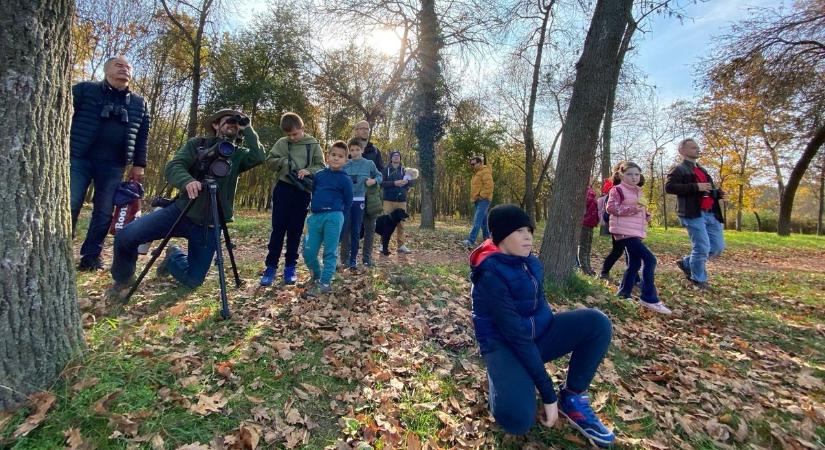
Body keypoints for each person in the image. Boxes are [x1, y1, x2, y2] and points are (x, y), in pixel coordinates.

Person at [469, 204, 615, 446]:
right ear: (502, 237)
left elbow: (536, 310)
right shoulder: (489, 275)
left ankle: (572, 397)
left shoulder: (531, 263)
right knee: (517, 421)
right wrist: (547, 395)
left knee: (596, 322)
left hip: (538, 336)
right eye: (519, 231)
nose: (528, 236)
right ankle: (504, 375)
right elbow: (515, 336)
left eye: (530, 230)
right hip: (505, 345)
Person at [108, 109, 264, 298]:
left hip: (209, 224)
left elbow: (259, 157)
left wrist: (247, 128)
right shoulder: (197, 145)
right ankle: (123, 278)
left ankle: (173, 255)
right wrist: (187, 181)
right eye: (228, 120)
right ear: (215, 125)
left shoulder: (238, 154)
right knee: (125, 236)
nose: (233, 124)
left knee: (193, 280)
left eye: (236, 123)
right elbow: (174, 166)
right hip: (181, 211)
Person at [71, 56, 151, 271]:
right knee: (71, 203)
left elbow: (143, 135)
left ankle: (91, 257)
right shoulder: (84, 90)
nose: (125, 69)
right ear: (107, 70)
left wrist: (138, 164)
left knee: (105, 211)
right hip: (79, 157)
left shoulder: (138, 103)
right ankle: (58, 251)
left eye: (128, 67)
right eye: (119, 65)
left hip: (114, 164)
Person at [260, 113, 325, 286]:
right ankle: (271, 267)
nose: (292, 138)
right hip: (283, 189)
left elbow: (321, 166)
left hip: (302, 191)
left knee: (295, 231)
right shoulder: (282, 143)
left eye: (295, 134)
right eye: (288, 135)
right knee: (278, 229)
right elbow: (270, 161)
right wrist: (284, 162)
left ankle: (290, 267)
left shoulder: (313, 144)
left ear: (302, 128)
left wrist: (308, 170)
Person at [606, 162, 671, 315]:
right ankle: (649, 298)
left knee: (634, 263)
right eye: (629, 174)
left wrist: (646, 215)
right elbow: (611, 208)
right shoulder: (617, 190)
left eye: (636, 174)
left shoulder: (639, 191)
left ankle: (623, 294)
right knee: (650, 260)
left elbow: (640, 209)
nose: (634, 177)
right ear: (622, 175)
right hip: (623, 231)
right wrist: (633, 209)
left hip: (635, 231)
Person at [665, 138, 725, 290]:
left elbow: (707, 190)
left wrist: (717, 193)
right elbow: (670, 187)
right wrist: (695, 186)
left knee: (717, 247)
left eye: (697, 147)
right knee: (702, 247)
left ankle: (686, 263)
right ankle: (698, 279)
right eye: (693, 148)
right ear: (682, 151)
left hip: (710, 212)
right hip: (692, 213)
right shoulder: (678, 169)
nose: (697, 150)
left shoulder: (703, 170)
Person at [302, 141, 353, 295]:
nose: (336, 158)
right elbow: (315, 191)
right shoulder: (319, 175)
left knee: (329, 252)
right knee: (308, 251)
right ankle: (317, 275)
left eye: (340, 156)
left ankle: (325, 283)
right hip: (315, 217)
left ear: (346, 160)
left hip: (334, 217)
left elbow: (348, 201)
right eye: (333, 155)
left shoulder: (345, 180)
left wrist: (339, 217)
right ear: (327, 156)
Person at [339, 138, 382, 269]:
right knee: (346, 230)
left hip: (363, 200)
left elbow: (379, 176)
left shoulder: (369, 163)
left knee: (361, 230)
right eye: (352, 150)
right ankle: (345, 259)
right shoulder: (345, 164)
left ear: (362, 150)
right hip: (346, 201)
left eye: (357, 149)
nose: (355, 152)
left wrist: (374, 181)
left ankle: (362, 259)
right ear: (348, 152)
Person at [350, 120, 384, 266]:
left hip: (370, 197)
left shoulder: (375, 151)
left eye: (367, 128)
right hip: (352, 197)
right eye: (362, 128)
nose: (365, 131)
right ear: (356, 131)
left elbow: (381, 172)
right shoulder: (349, 148)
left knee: (370, 229)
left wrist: (374, 181)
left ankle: (367, 259)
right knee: (352, 229)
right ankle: (350, 259)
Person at [380, 151, 415, 255]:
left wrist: (407, 183)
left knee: (401, 224)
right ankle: (383, 245)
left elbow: (411, 182)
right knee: (386, 223)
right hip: (388, 200)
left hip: (401, 200)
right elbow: (381, 183)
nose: (396, 157)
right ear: (391, 158)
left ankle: (401, 246)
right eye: (394, 156)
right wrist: (394, 183)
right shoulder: (385, 170)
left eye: (398, 156)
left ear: (400, 158)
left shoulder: (404, 170)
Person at [463, 156, 494, 247]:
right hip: (478, 200)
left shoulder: (485, 172)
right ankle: (488, 241)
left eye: (473, 164)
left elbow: (489, 186)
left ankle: (470, 241)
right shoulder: (477, 173)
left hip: (483, 200)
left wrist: (481, 196)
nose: (472, 166)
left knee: (477, 220)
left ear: (480, 163)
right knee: (484, 222)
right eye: (471, 164)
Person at [578, 183, 599, 275]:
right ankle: (584, 268)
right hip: (584, 223)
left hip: (590, 223)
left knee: (588, 246)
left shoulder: (590, 190)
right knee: (583, 246)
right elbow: (585, 203)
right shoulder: (584, 190)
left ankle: (588, 267)